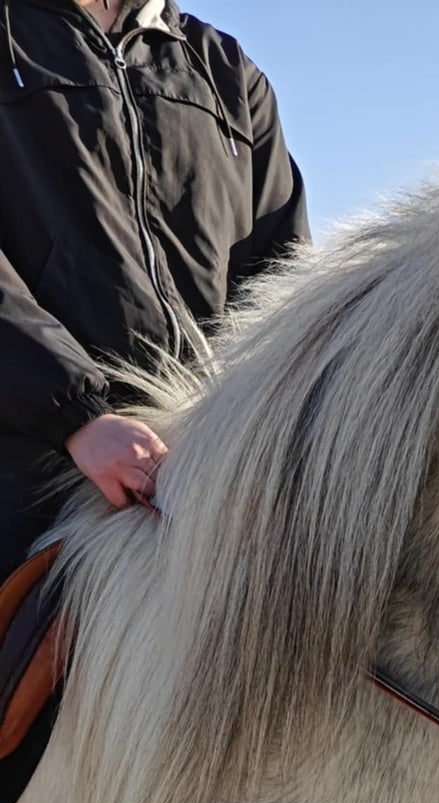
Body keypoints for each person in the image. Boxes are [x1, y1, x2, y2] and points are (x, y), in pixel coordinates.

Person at [0, 0, 310, 576]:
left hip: (203, 471)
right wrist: (78, 417)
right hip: (28, 467)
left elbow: (282, 274)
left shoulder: (226, 70)